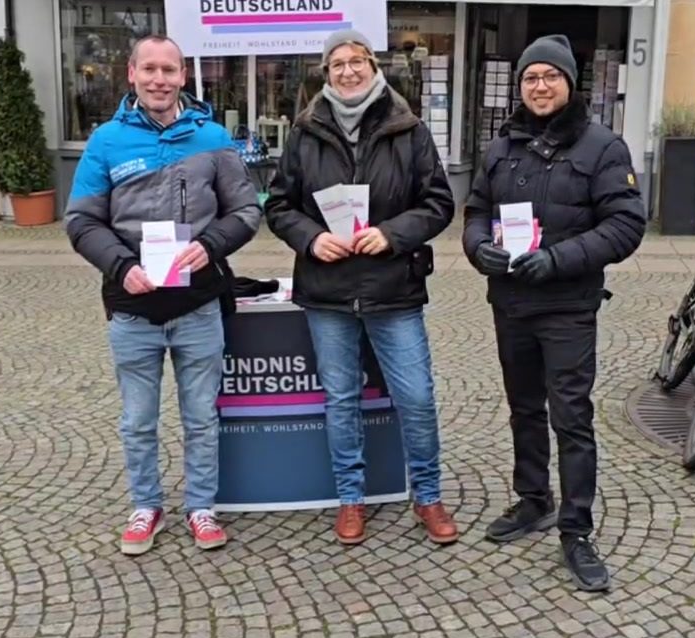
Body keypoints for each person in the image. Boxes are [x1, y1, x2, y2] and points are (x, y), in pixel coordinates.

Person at [64, 35, 262, 556]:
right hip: (132, 307)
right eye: (149, 69)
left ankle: (201, 507)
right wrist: (121, 265)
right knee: (137, 420)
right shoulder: (106, 141)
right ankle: (146, 506)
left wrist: (211, 245)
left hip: (198, 305)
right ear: (131, 73)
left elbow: (246, 211)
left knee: (201, 417)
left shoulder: (214, 137)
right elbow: (82, 220)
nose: (159, 79)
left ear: (182, 77)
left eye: (169, 70)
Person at [461, 34, 647, 592]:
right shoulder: (500, 148)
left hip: (567, 303)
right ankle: (533, 499)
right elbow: (473, 214)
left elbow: (625, 225)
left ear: (569, 83)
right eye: (530, 78)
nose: (539, 87)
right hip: (512, 301)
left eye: (550, 77)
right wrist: (479, 250)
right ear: (520, 87)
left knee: (571, 417)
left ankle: (576, 529)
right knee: (523, 408)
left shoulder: (603, 147)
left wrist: (559, 259)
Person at [265, 30, 458, 546]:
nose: (347, 71)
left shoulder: (408, 128)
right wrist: (311, 239)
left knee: (416, 398)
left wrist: (392, 234)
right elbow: (279, 205)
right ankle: (351, 498)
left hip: (393, 287)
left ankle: (428, 496)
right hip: (327, 290)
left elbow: (439, 202)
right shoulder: (304, 131)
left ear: (374, 67)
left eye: (356, 61)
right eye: (336, 64)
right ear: (324, 74)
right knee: (341, 398)